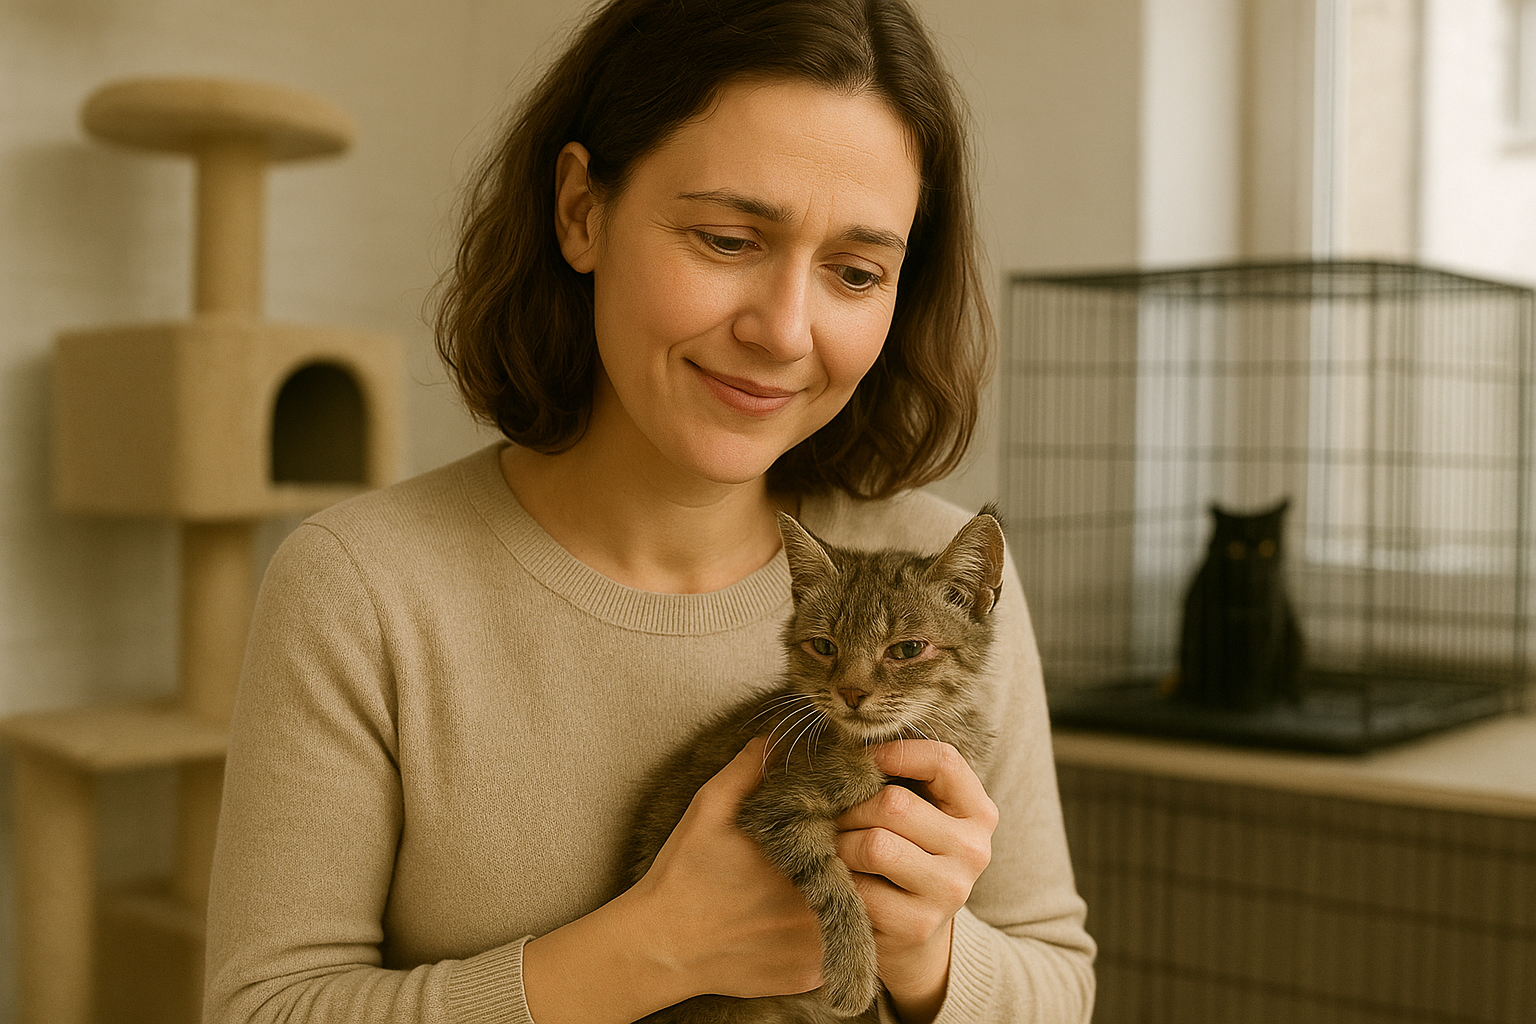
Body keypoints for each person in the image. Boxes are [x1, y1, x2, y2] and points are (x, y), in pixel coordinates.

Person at [202, 0, 1096, 1021]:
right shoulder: (363, 587)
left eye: (856, 272)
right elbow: (263, 1011)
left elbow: (1059, 988)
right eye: (727, 238)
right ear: (581, 212)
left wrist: (926, 947)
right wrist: (648, 951)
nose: (784, 330)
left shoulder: (936, 566)